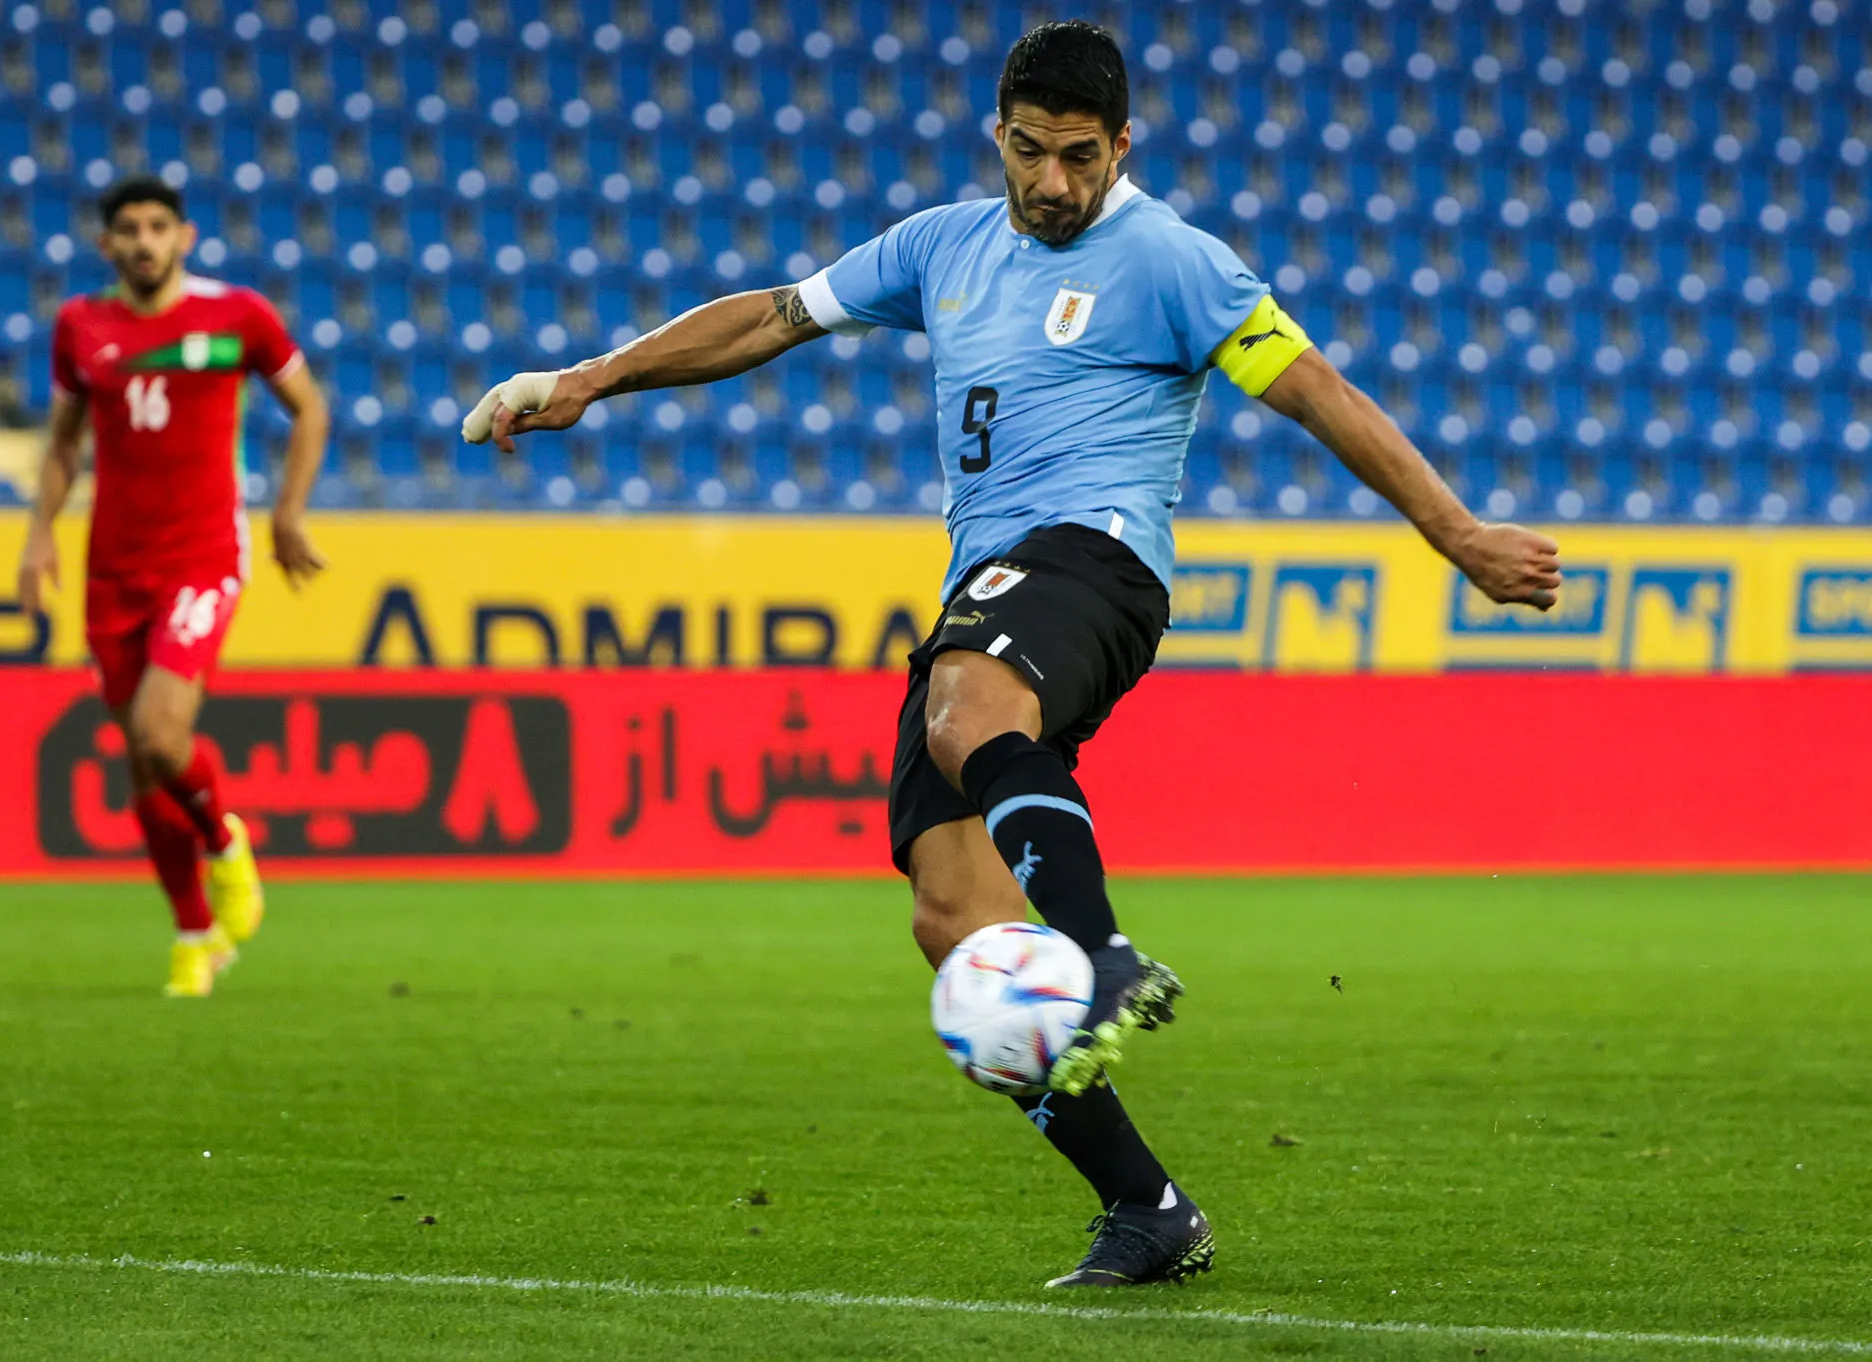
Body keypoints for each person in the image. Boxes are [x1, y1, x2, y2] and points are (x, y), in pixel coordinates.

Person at [464, 22, 1562, 1288]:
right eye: (1031, 152)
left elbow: (1319, 393)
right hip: (983, 587)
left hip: (1095, 564)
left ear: (1124, 148)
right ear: (999, 136)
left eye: (1080, 158)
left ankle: (1100, 954)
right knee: (957, 930)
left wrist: (1459, 533)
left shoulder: (1174, 262)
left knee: (963, 706)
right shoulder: (940, 246)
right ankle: (1148, 1208)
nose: (1053, 183)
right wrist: (589, 377)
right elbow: (771, 318)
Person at [19, 174, 330, 998]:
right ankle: (195, 934)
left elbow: (309, 407)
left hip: (201, 556)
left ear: (185, 237)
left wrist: (288, 512)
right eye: (128, 229)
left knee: (161, 735)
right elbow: (62, 443)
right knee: (143, 765)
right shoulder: (81, 327)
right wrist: (38, 532)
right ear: (106, 245)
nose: (144, 241)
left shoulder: (237, 316)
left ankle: (225, 843)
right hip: (113, 566)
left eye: (158, 226)